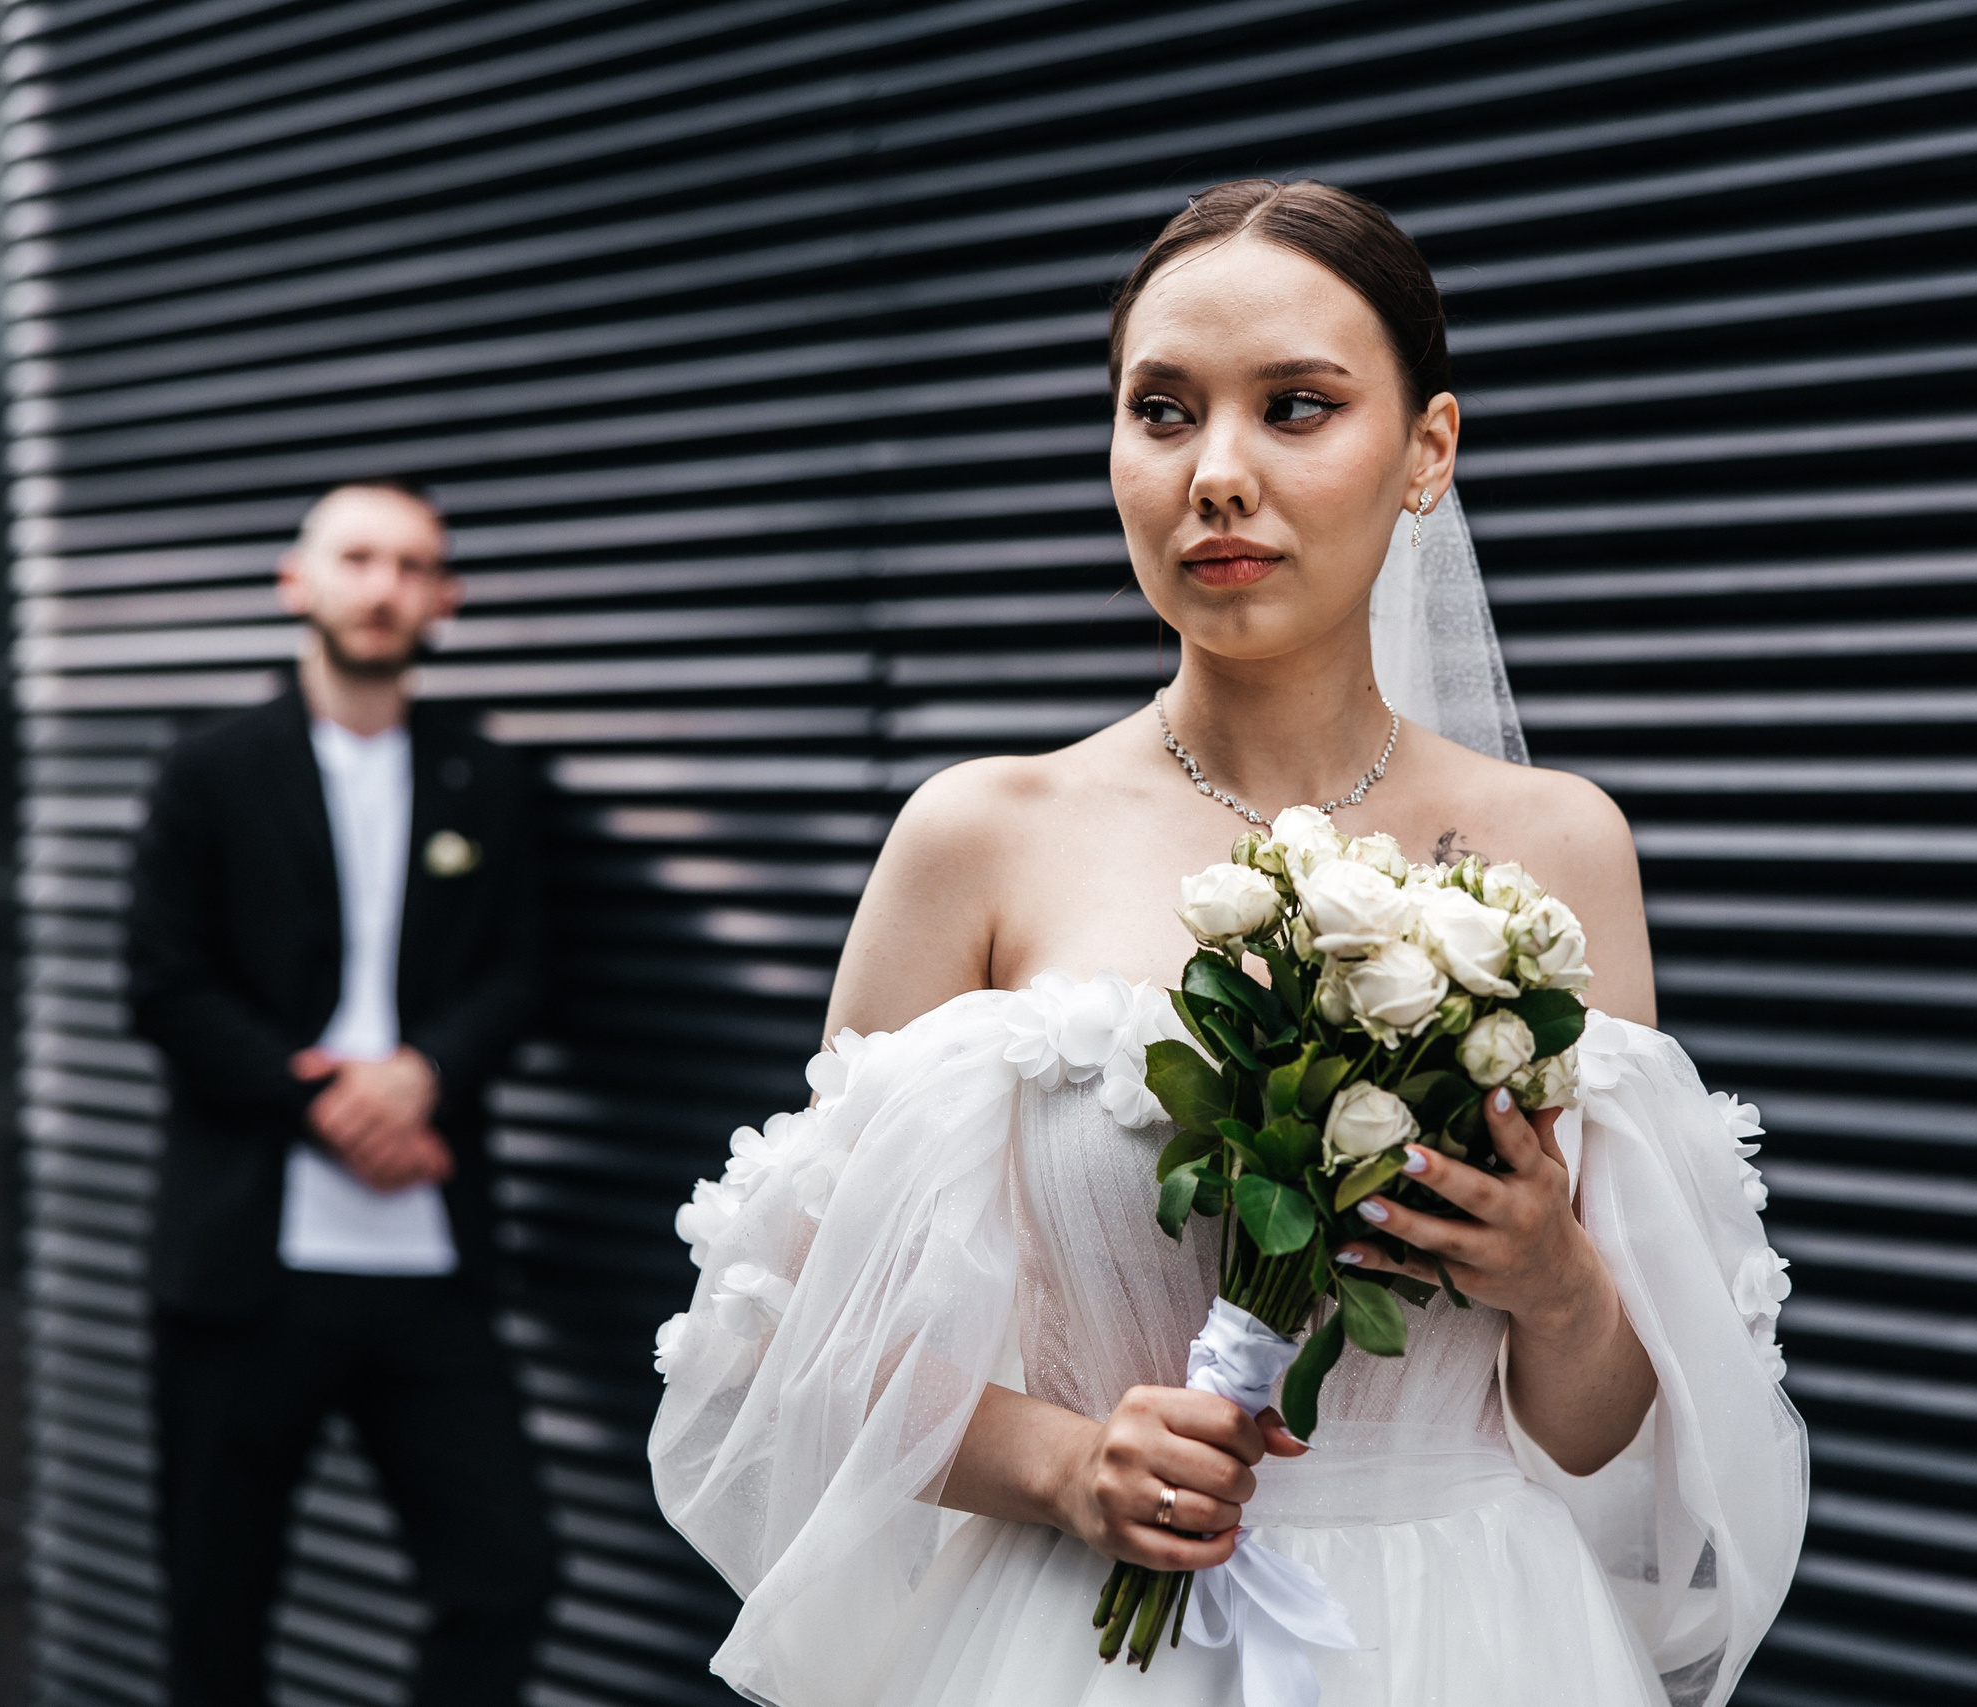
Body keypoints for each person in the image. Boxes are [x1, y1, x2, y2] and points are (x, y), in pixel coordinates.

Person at [650, 182, 1805, 1706]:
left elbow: (1590, 1429)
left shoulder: (1559, 847)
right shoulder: (979, 833)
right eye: (1165, 411)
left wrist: (1558, 1280)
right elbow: (787, 1332)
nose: (1219, 474)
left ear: (1428, 451)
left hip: (1469, 1640)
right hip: (1072, 1643)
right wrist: (1063, 1460)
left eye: (1299, 407)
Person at [125, 480, 553, 1707]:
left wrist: (421, 1075)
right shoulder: (208, 771)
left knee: (505, 1575)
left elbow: (524, 976)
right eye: (358, 558)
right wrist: (329, 1105)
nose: (385, 587)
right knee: (219, 1610)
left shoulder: (487, 777)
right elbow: (164, 987)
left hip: (427, 1264)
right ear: (296, 582)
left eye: (415, 565)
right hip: (244, 1265)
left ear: (446, 598)